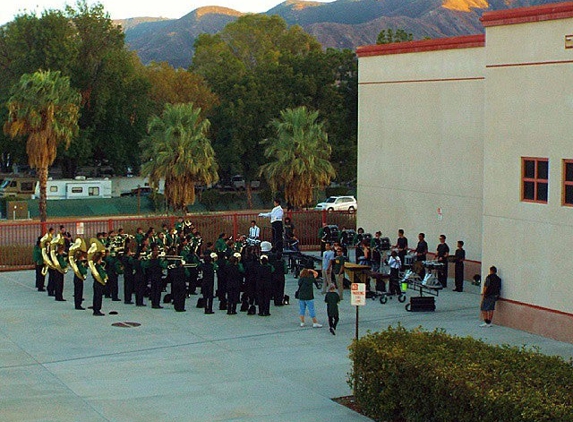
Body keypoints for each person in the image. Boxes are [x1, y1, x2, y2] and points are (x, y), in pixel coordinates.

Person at [91, 252, 107, 316]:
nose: (101, 260)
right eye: (100, 259)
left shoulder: (95, 266)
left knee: (96, 296)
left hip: (96, 283)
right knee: (98, 297)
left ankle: (96, 309)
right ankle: (97, 310)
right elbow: (102, 274)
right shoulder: (98, 267)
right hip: (99, 283)